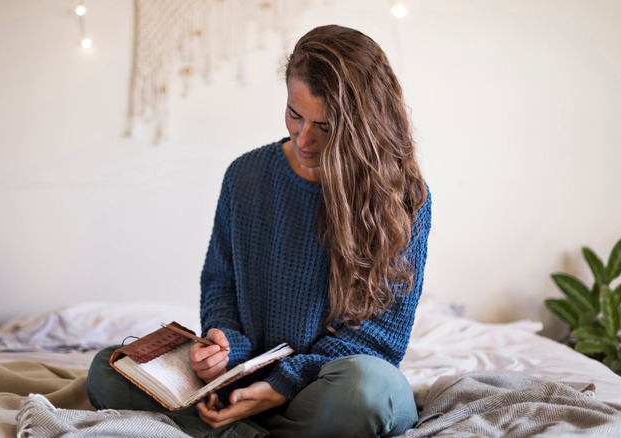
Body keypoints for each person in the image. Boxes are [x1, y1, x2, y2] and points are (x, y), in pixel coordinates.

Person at [87, 24, 431, 438]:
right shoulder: (245, 175)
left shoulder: (401, 197)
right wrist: (223, 344)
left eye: (325, 126)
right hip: (243, 385)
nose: (304, 138)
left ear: (363, 125)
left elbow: (379, 341)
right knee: (108, 369)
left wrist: (281, 386)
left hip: (320, 390)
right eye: (294, 114)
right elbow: (220, 284)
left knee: (373, 390)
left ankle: (236, 431)